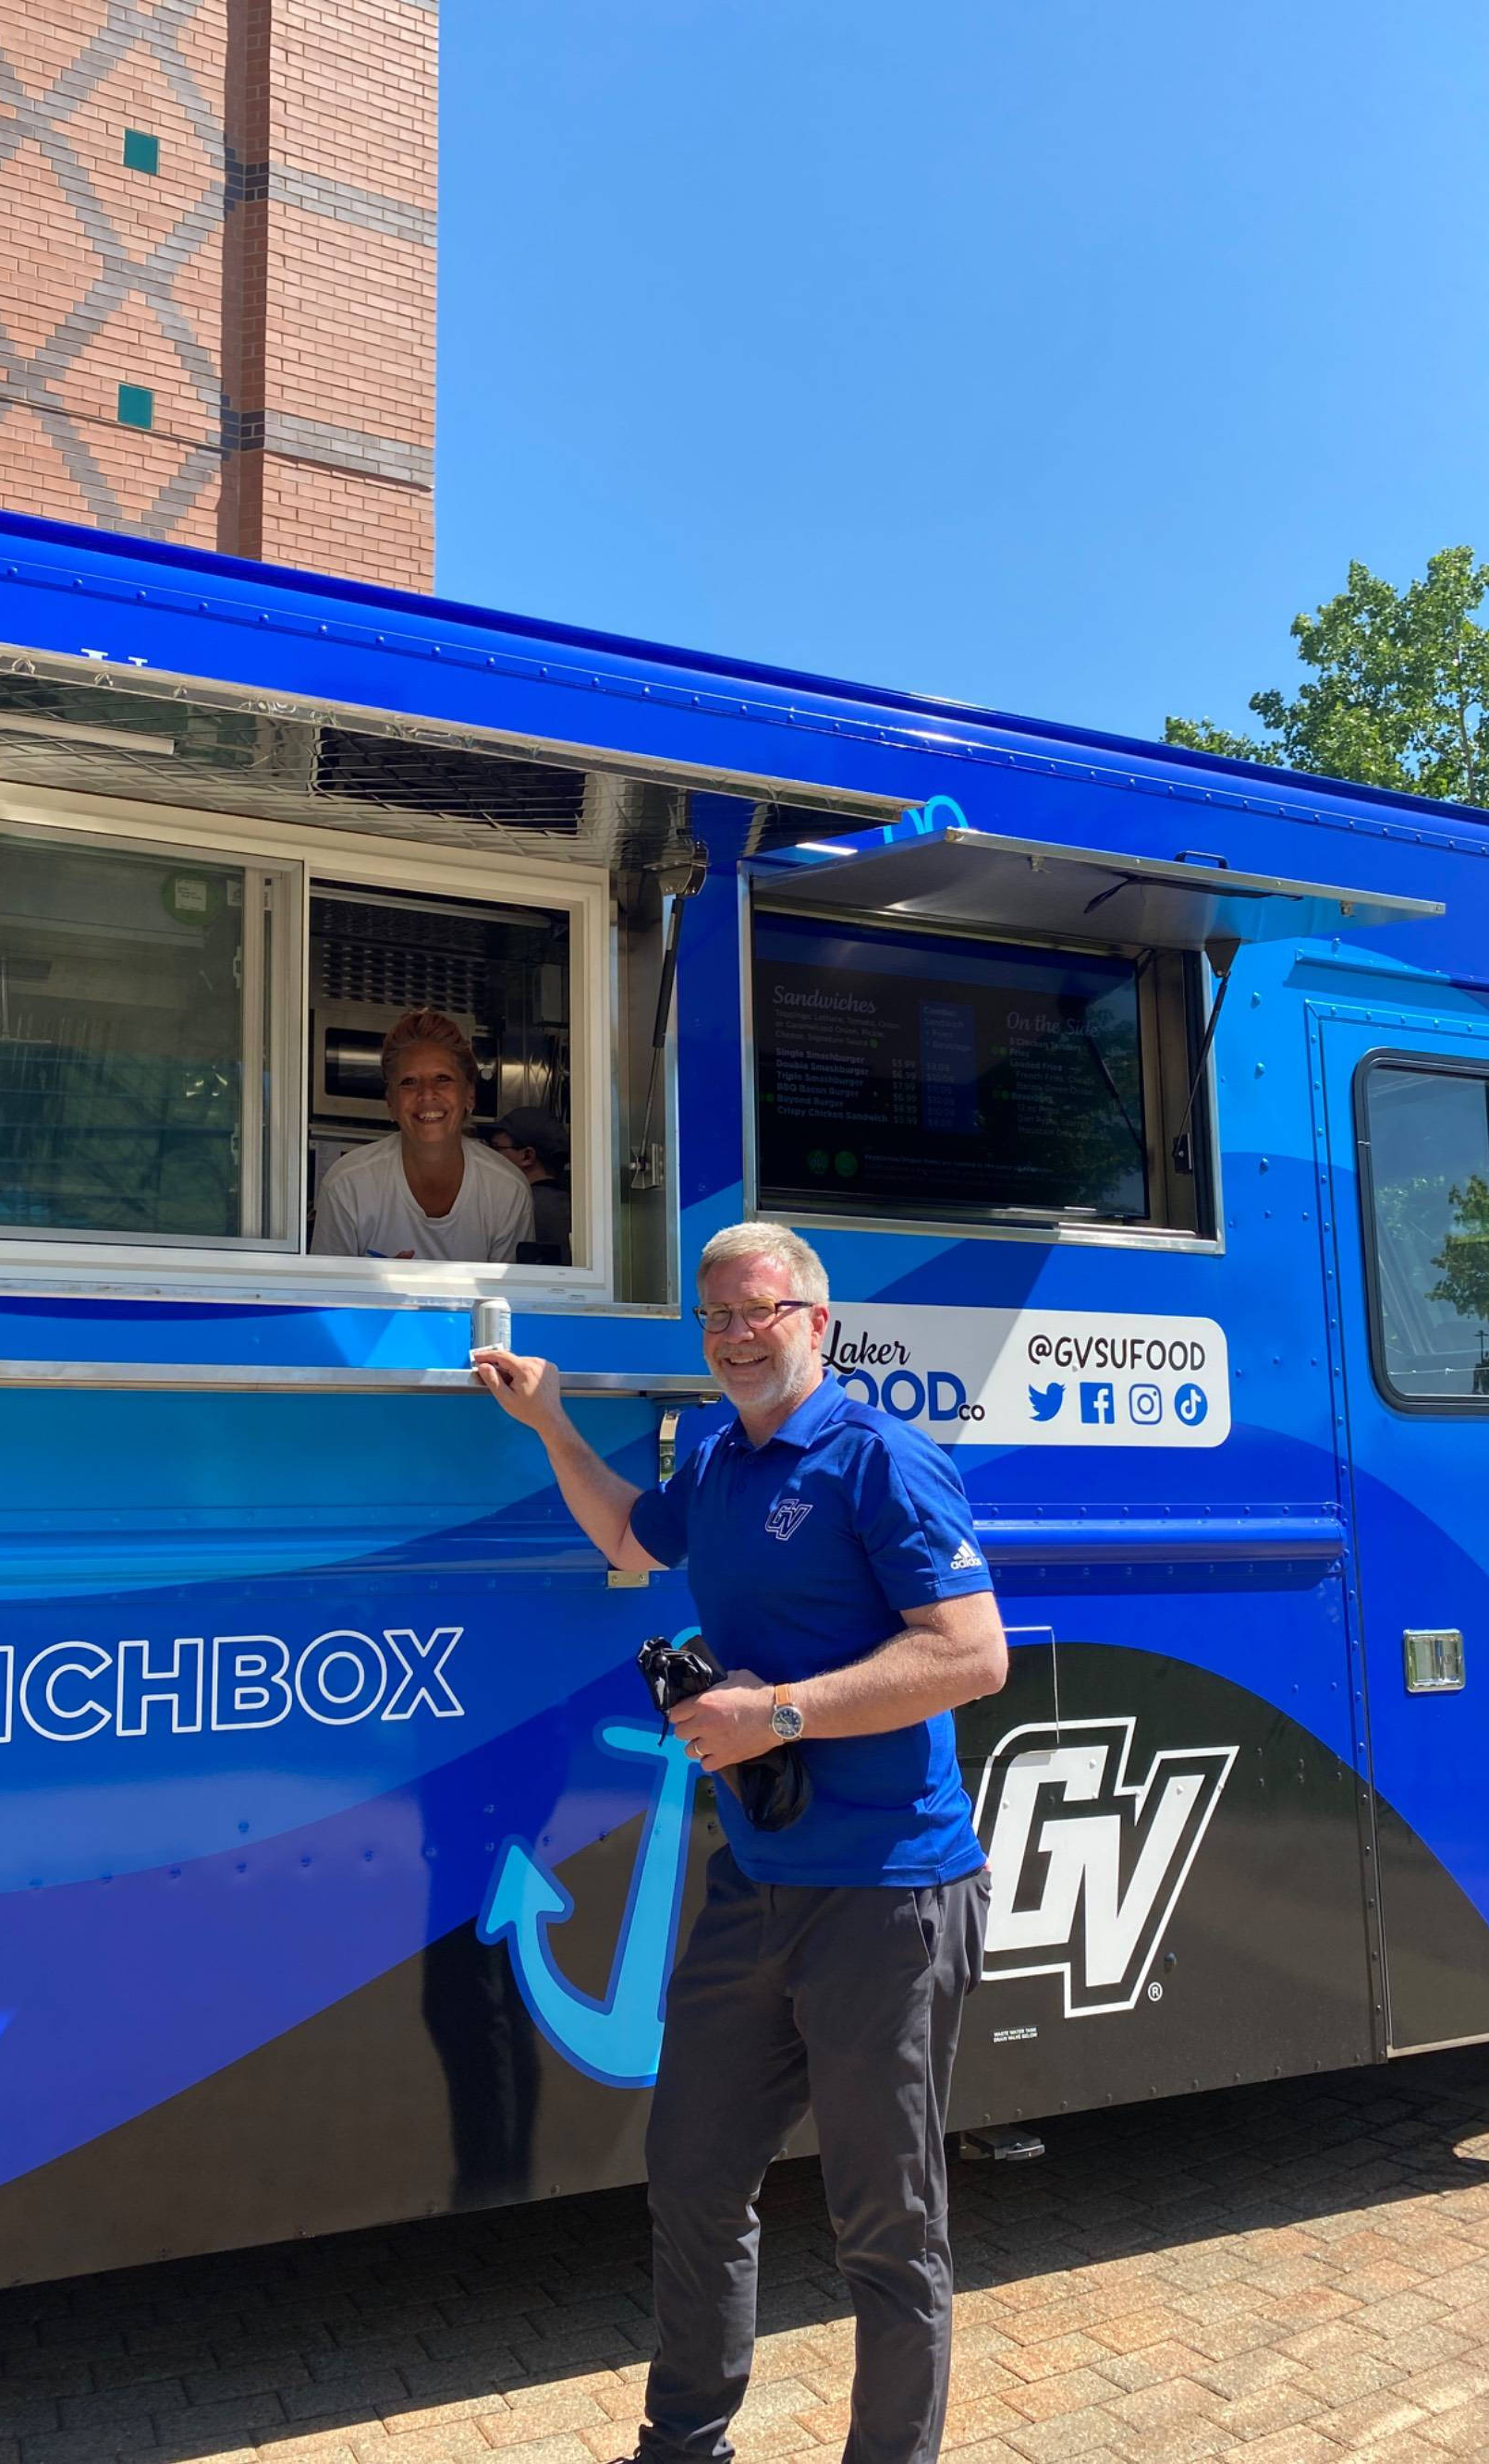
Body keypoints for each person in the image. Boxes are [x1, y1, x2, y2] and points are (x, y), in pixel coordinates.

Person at [474, 1222, 1007, 2464]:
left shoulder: (882, 1460)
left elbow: (972, 1653)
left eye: (757, 1310)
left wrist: (773, 1712)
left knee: (889, 2223)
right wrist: (553, 1422)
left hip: (889, 1897)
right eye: (713, 1316)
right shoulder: (715, 1459)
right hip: (758, 1887)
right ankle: (686, 2442)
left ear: (817, 1321)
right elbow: (628, 1538)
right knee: (696, 2171)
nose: (731, 1334)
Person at [311, 1007, 534, 1262]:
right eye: (409, 1082)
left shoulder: (506, 1190)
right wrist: (378, 1286)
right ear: (391, 1102)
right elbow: (327, 1294)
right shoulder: (347, 1184)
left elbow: (513, 1299)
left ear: (469, 1094)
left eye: (443, 1079)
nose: (427, 1094)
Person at [490, 1105, 571, 1262]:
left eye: (496, 1148)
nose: (488, 1156)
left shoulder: (522, 1207)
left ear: (527, 1156)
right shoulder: (570, 1207)